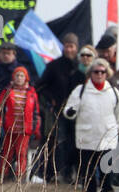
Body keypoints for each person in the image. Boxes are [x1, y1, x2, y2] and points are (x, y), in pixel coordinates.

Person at [62, 59, 119, 192]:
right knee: (88, 173)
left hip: (108, 138)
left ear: (107, 73)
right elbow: (68, 110)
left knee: (107, 173)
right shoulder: (81, 90)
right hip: (87, 139)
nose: (99, 74)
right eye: (96, 72)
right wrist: (71, 112)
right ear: (90, 73)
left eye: (102, 72)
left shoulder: (113, 92)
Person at [36, 34, 84, 182]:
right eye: (67, 46)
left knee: (76, 143)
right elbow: (40, 87)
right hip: (58, 112)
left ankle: (76, 173)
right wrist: (50, 100)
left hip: (78, 113)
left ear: (76, 48)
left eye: (72, 46)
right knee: (59, 143)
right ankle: (58, 173)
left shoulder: (81, 67)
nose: (69, 49)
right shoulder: (53, 66)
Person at [0, 67, 41, 181]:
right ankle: (3, 175)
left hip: (25, 129)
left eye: (21, 76)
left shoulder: (31, 92)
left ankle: (20, 176)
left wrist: (36, 127)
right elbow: (0, 107)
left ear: (26, 78)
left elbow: (35, 111)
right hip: (9, 127)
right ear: (13, 77)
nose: (19, 78)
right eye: (17, 75)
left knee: (21, 153)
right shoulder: (7, 90)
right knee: (6, 153)